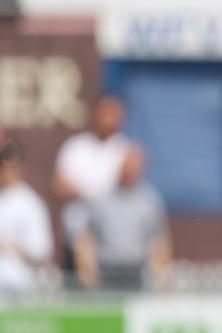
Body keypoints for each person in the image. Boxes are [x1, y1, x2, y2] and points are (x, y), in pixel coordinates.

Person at [73, 146, 171, 291]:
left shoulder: (149, 201)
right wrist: (87, 275)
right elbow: (85, 239)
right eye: (126, 167)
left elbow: (160, 243)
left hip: (139, 279)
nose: (130, 172)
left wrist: (160, 282)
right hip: (105, 278)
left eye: (134, 167)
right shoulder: (102, 199)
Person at [54, 95, 131, 274]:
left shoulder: (125, 150)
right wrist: (98, 191)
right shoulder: (76, 147)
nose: (109, 119)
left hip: (111, 244)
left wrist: (84, 190)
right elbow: (61, 188)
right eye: (106, 112)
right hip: (77, 238)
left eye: (115, 113)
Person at [0, 138, 53, 293]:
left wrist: (10, 246)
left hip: (20, 289)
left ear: (20, 167)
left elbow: (42, 253)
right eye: (3, 165)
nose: (7, 171)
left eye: (12, 165)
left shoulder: (31, 204)